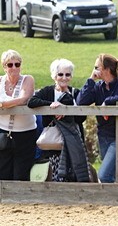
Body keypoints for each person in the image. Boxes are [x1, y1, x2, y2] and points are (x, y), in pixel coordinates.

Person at [77, 54, 118, 183]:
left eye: (96, 67)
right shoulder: (98, 87)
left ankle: (113, 199)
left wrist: (108, 101)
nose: (94, 70)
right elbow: (81, 101)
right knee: (112, 175)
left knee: (104, 175)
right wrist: (91, 80)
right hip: (105, 134)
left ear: (106, 69)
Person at [29, 58, 89, 182]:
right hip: (53, 142)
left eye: (67, 74)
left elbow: (82, 117)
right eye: (60, 74)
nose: (64, 78)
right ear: (54, 76)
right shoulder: (47, 91)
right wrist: (52, 105)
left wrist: (66, 112)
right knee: (56, 174)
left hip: (73, 140)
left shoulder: (76, 93)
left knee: (75, 173)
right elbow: (32, 102)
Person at [0, 49, 36, 180]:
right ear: (4, 67)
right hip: (3, 131)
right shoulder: (0, 81)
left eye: (17, 64)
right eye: (10, 65)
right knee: (3, 171)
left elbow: (23, 99)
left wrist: (3, 104)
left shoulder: (27, 79)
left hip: (25, 133)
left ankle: (21, 200)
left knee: (21, 173)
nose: (14, 67)